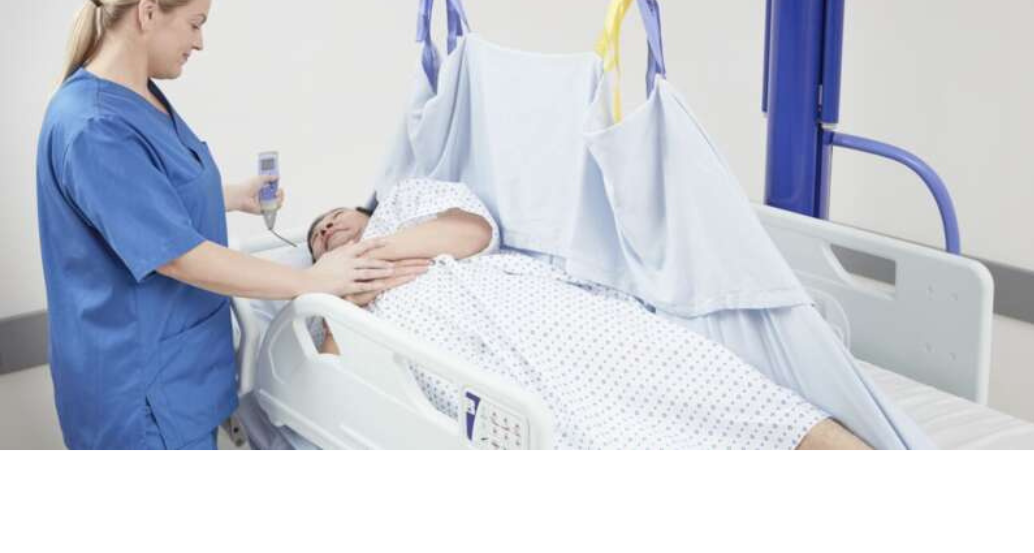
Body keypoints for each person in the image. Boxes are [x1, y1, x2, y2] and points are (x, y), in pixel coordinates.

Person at [35, 0, 421, 449]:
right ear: (148, 12)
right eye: (195, 24)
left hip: (182, 374)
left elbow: (144, 199)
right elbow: (180, 258)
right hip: (140, 394)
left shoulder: (141, 96)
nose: (199, 43)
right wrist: (313, 281)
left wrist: (233, 195)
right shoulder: (93, 126)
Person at [305, 178, 870, 449]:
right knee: (585, 440)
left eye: (331, 218)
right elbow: (335, 381)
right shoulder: (329, 298)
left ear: (363, 211)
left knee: (685, 374)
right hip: (461, 365)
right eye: (316, 240)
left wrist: (367, 255)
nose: (325, 231)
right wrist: (337, 300)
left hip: (534, 314)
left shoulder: (406, 206)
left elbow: (471, 232)